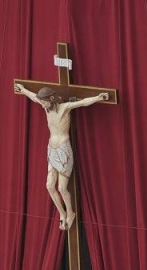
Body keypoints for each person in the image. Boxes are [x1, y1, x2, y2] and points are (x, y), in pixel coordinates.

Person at [14, 84, 109, 230]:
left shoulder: (65, 107)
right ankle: (62, 214)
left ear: (51, 99)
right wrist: (23, 89)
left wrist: (98, 97)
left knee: (62, 187)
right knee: (49, 186)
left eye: (44, 102)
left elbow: (83, 102)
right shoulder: (46, 107)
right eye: (42, 102)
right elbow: (33, 97)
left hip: (64, 149)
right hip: (52, 149)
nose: (42, 104)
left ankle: (70, 213)